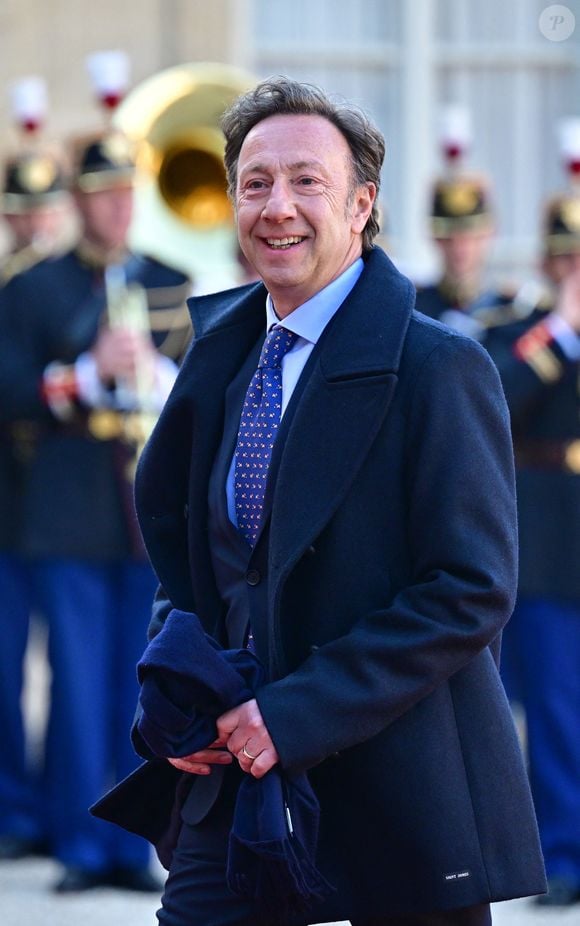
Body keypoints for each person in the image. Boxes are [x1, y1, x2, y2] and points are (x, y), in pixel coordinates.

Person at [97, 77, 546, 925]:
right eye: (257, 182)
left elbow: (470, 589)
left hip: (401, 783)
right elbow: (200, 558)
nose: (279, 207)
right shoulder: (221, 357)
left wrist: (295, 714)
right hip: (234, 774)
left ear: (362, 202)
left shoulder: (440, 368)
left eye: (307, 181)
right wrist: (174, 682)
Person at [0, 129, 191, 892]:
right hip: (68, 503)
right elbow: (11, 390)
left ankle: (129, 845)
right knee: (77, 682)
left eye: (125, 192)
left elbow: (203, 387)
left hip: (144, 509)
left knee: (137, 684)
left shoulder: (173, 280)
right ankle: (82, 846)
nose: (117, 206)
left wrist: (153, 367)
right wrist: (83, 374)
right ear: (78, 202)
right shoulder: (33, 288)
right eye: (102, 194)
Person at [485, 165, 580, 907]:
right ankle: (562, 851)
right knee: (551, 702)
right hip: (550, 535)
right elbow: (497, 402)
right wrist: (564, 332)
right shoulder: (522, 332)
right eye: (569, 258)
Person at [0, 147, 70, 861]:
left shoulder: (61, 287)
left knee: (74, 668)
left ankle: (57, 807)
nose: (33, 224)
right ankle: (13, 811)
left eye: (43, 212)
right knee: (3, 667)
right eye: (21, 212)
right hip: (7, 506)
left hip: (56, 501)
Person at [414, 107, 513, 340]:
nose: (460, 248)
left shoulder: (513, 310)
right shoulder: (413, 308)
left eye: (471, 236)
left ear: (491, 233)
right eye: (449, 237)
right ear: (434, 237)